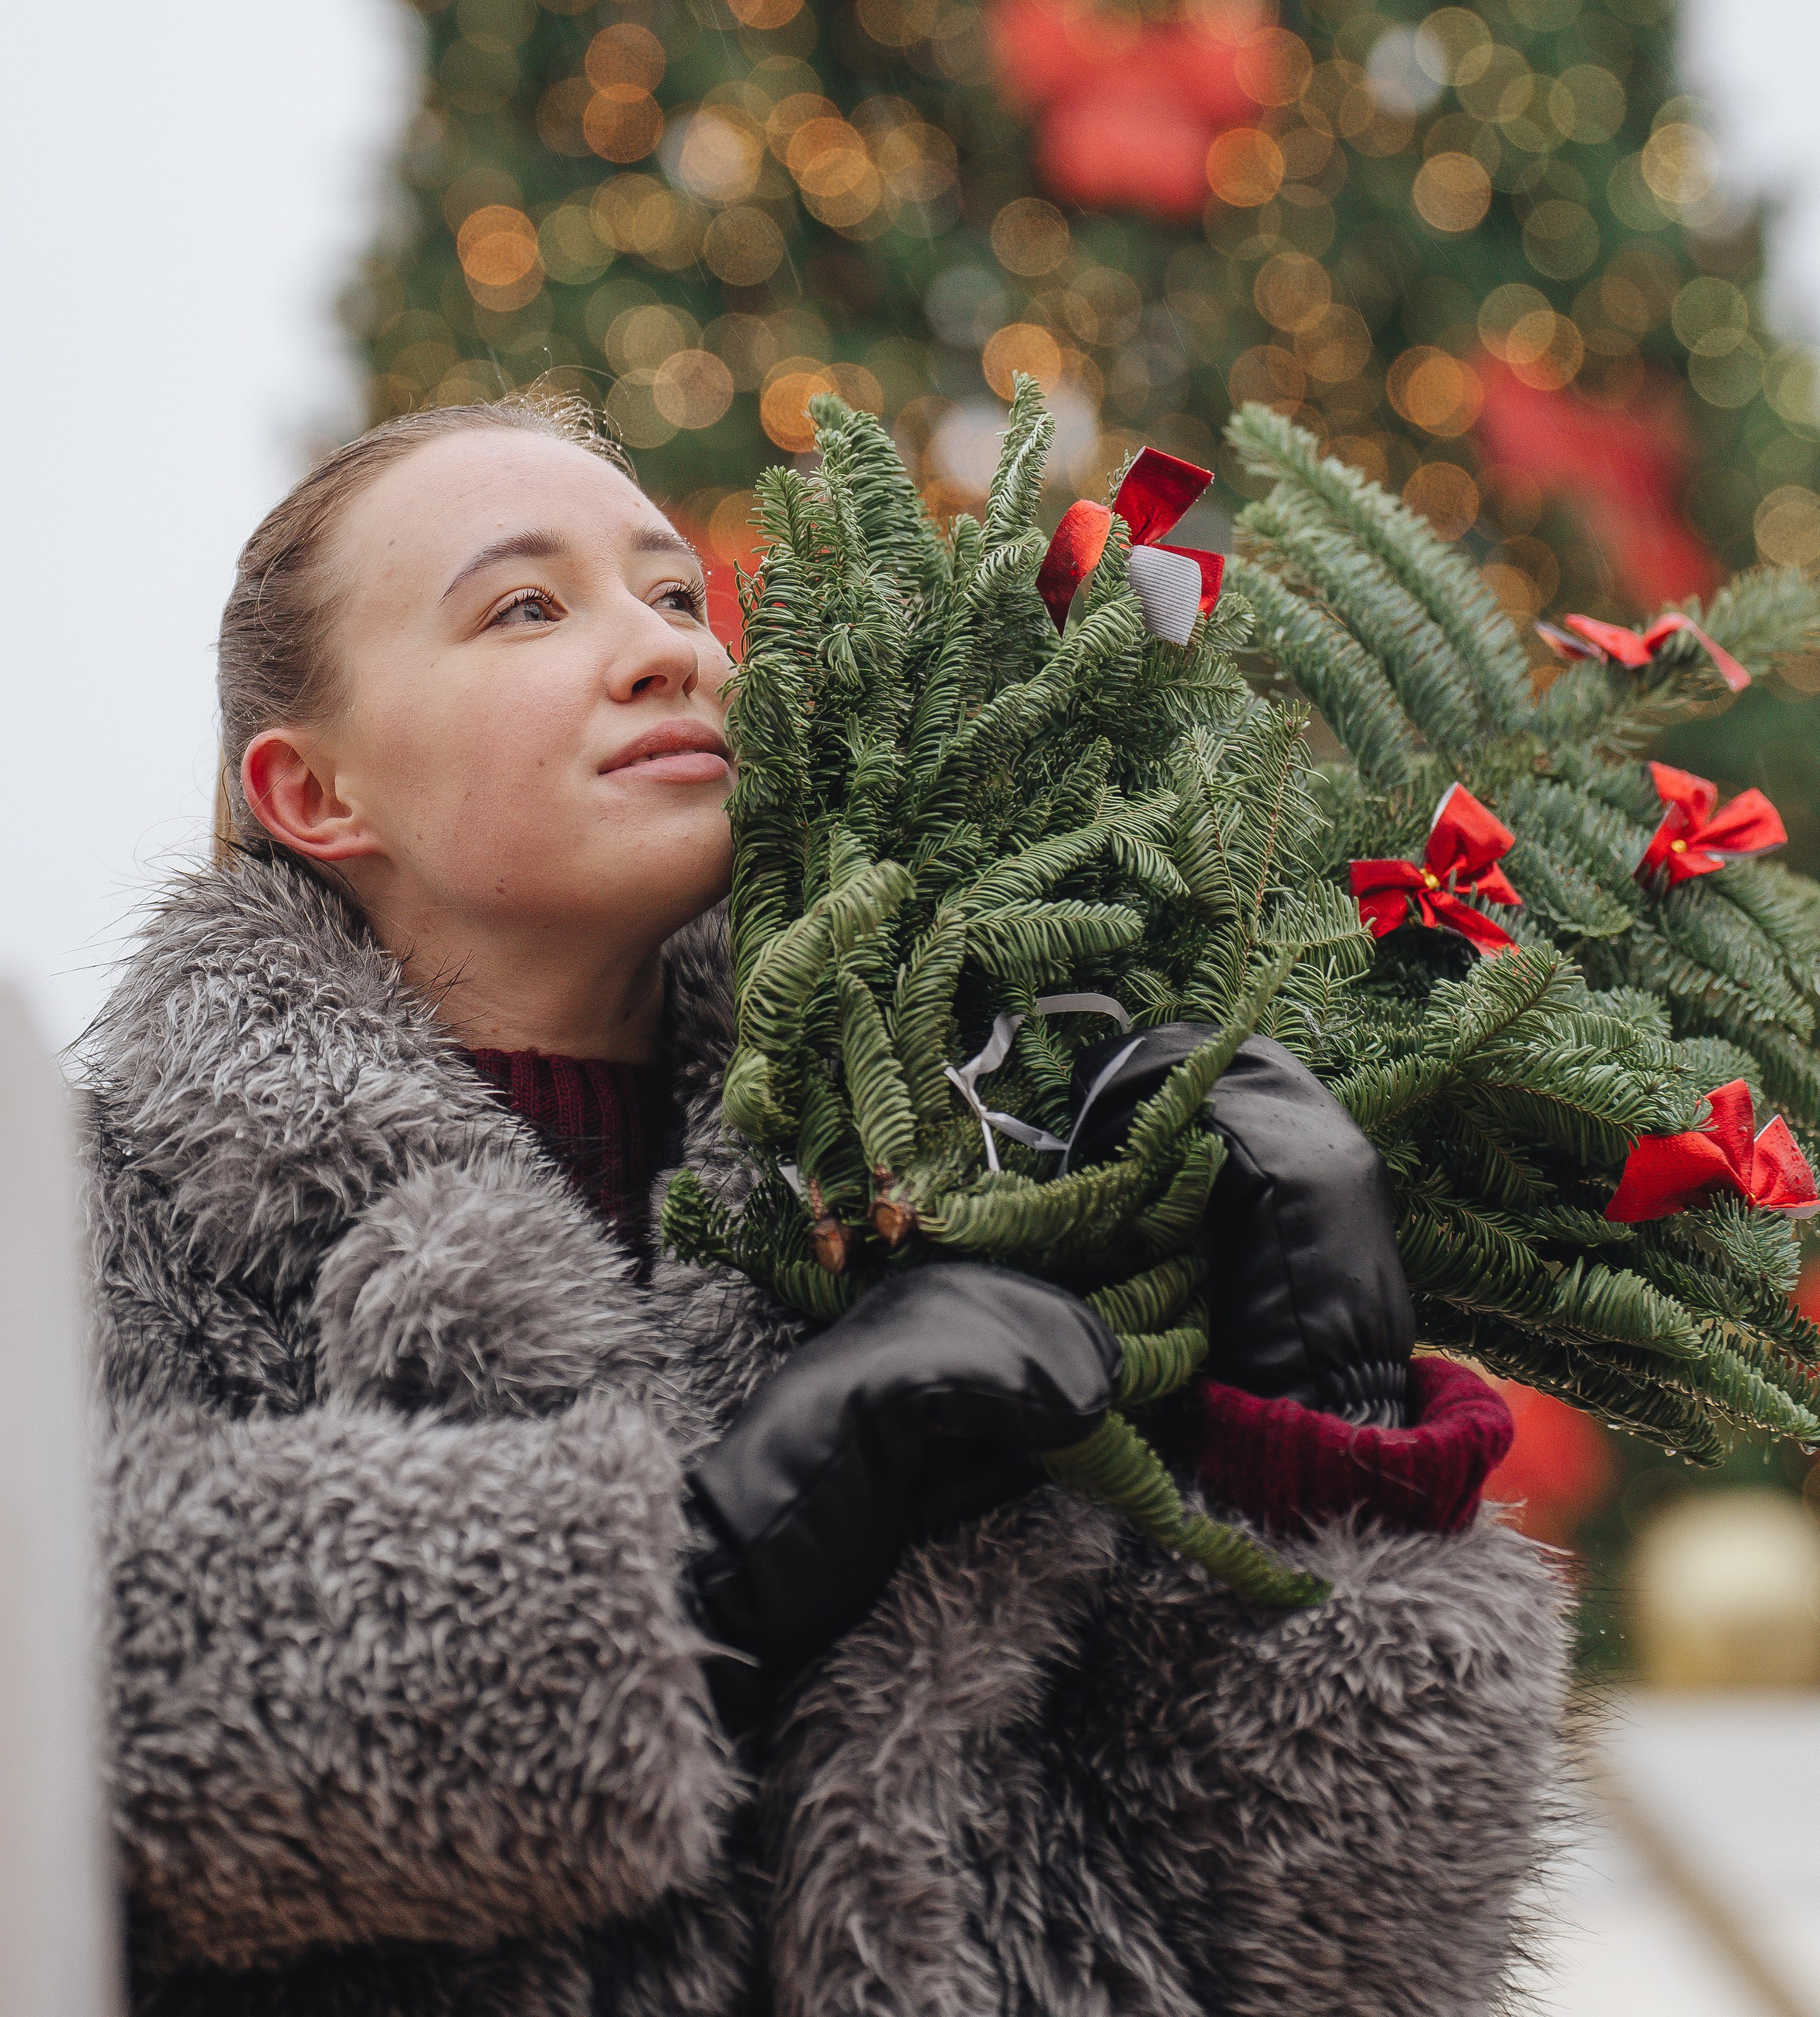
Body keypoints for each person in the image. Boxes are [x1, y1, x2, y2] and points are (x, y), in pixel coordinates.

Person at [83, 393, 1564, 2017]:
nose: (665, 654)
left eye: (668, 595)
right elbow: (33, 1712)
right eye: (525, 605)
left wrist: (1322, 1443)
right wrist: (701, 1569)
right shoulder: (88, 1223)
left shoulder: (958, 1194)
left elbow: (1319, 1961)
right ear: (313, 793)